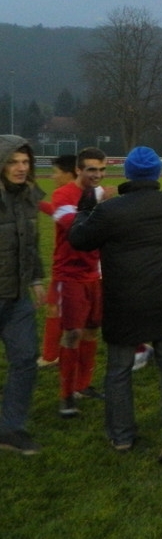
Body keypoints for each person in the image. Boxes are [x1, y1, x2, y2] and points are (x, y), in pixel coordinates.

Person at [69, 146, 162, 464]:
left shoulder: (111, 210)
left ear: (128, 173)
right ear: (157, 173)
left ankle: (122, 437)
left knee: (119, 370)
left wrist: (86, 207)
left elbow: (79, 239)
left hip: (126, 301)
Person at [51, 147, 109, 418]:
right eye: (91, 169)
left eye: (102, 169)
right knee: (72, 333)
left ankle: (83, 385)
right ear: (78, 169)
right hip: (70, 274)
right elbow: (75, 226)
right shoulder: (62, 195)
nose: (97, 175)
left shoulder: (100, 195)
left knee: (91, 330)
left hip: (95, 273)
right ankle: (66, 395)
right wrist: (101, 206)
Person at [0, 136, 46, 456]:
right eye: (13, 162)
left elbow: (31, 242)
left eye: (25, 162)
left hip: (17, 297)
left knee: (26, 359)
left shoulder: (29, 196)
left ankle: (10, 428)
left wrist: (37, 279)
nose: (20, 168)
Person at [37, 154, 78, 369]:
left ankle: (50, 355)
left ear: (69, 173)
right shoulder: (84, 193)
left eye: (56, 172)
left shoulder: (66, 194)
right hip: (78, 264)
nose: (52, 177)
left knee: (54, 308)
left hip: (68, 265)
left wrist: (34, 201)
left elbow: (64, 217)